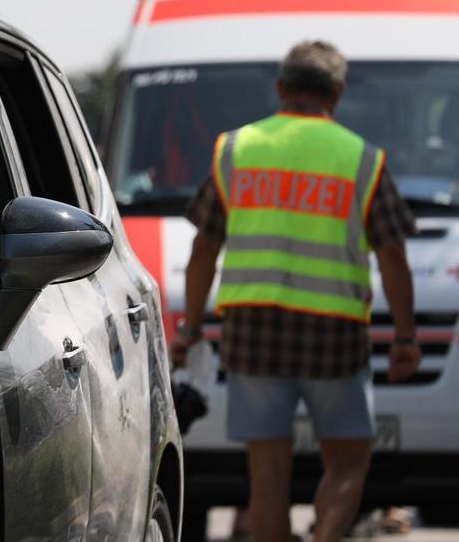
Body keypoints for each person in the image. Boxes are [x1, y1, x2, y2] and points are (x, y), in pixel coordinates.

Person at [170, 40, 421, 542]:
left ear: (281, 88)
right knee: (349, 462)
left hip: (252, 329)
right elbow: (392, 254)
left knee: (267, 477)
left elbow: (203, 248)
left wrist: (192, 329)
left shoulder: (236, 149)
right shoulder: (361, 158)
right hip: (336, 332)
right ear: (338, 93)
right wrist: (406, 337)